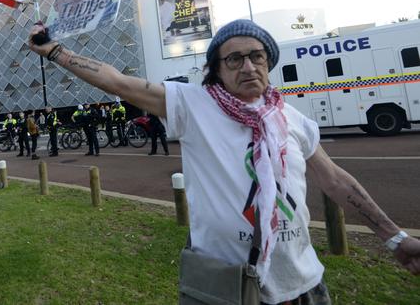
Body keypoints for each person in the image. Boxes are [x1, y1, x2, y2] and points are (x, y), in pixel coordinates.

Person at [28, 19, 420, 303]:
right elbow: (117, 82)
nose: (248, 66)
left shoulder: (294, 120)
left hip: (303, 285)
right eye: (234, 60)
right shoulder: (193, 105)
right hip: (224, 288)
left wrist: (395, 238)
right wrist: (56, 51)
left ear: (268, 63)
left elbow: (335, 180)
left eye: (256, 57)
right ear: (215, 70)